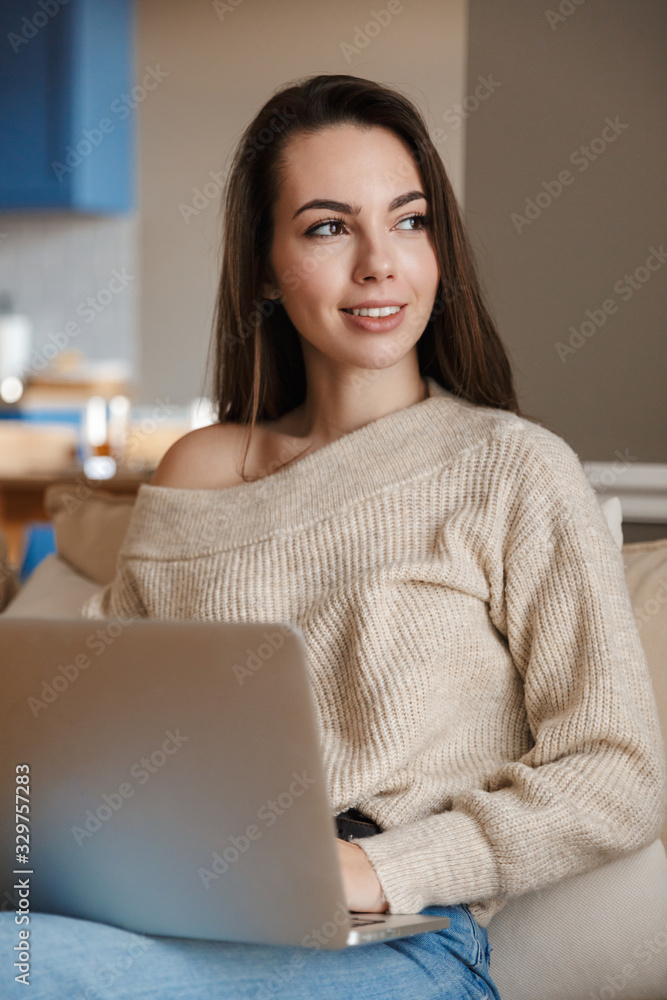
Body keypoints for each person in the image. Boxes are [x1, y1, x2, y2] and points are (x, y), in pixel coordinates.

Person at [3, 73, 664, 1000]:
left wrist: (382, 869)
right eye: (326, 227)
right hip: (162, 914)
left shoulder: (510, 467)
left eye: (408, 220)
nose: (379, 263)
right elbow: (83, 729)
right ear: (267, 265)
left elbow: (618, 773)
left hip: (394, 947)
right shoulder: (197, 472)